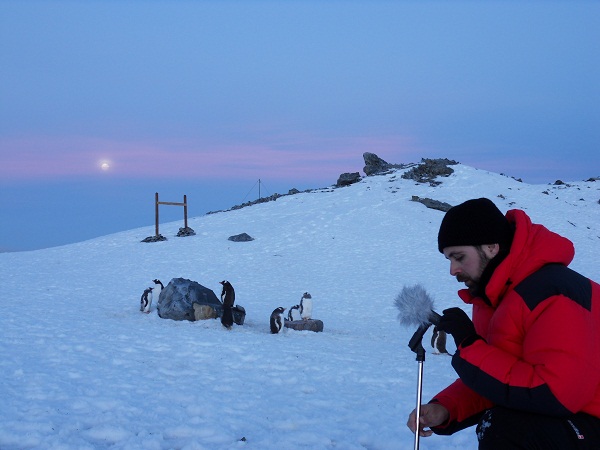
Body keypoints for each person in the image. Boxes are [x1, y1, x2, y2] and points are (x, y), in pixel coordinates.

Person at [407, 198, 600, 449]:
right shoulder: (496, 299)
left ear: (491, 247)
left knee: (509, 428)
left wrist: (470, 345)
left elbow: (553, 393)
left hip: (587, 417)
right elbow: (506, 379)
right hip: (571, 419)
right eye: (449, 260)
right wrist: (445, 408)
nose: (453, 270)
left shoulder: (554, 293)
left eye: (459, 257)